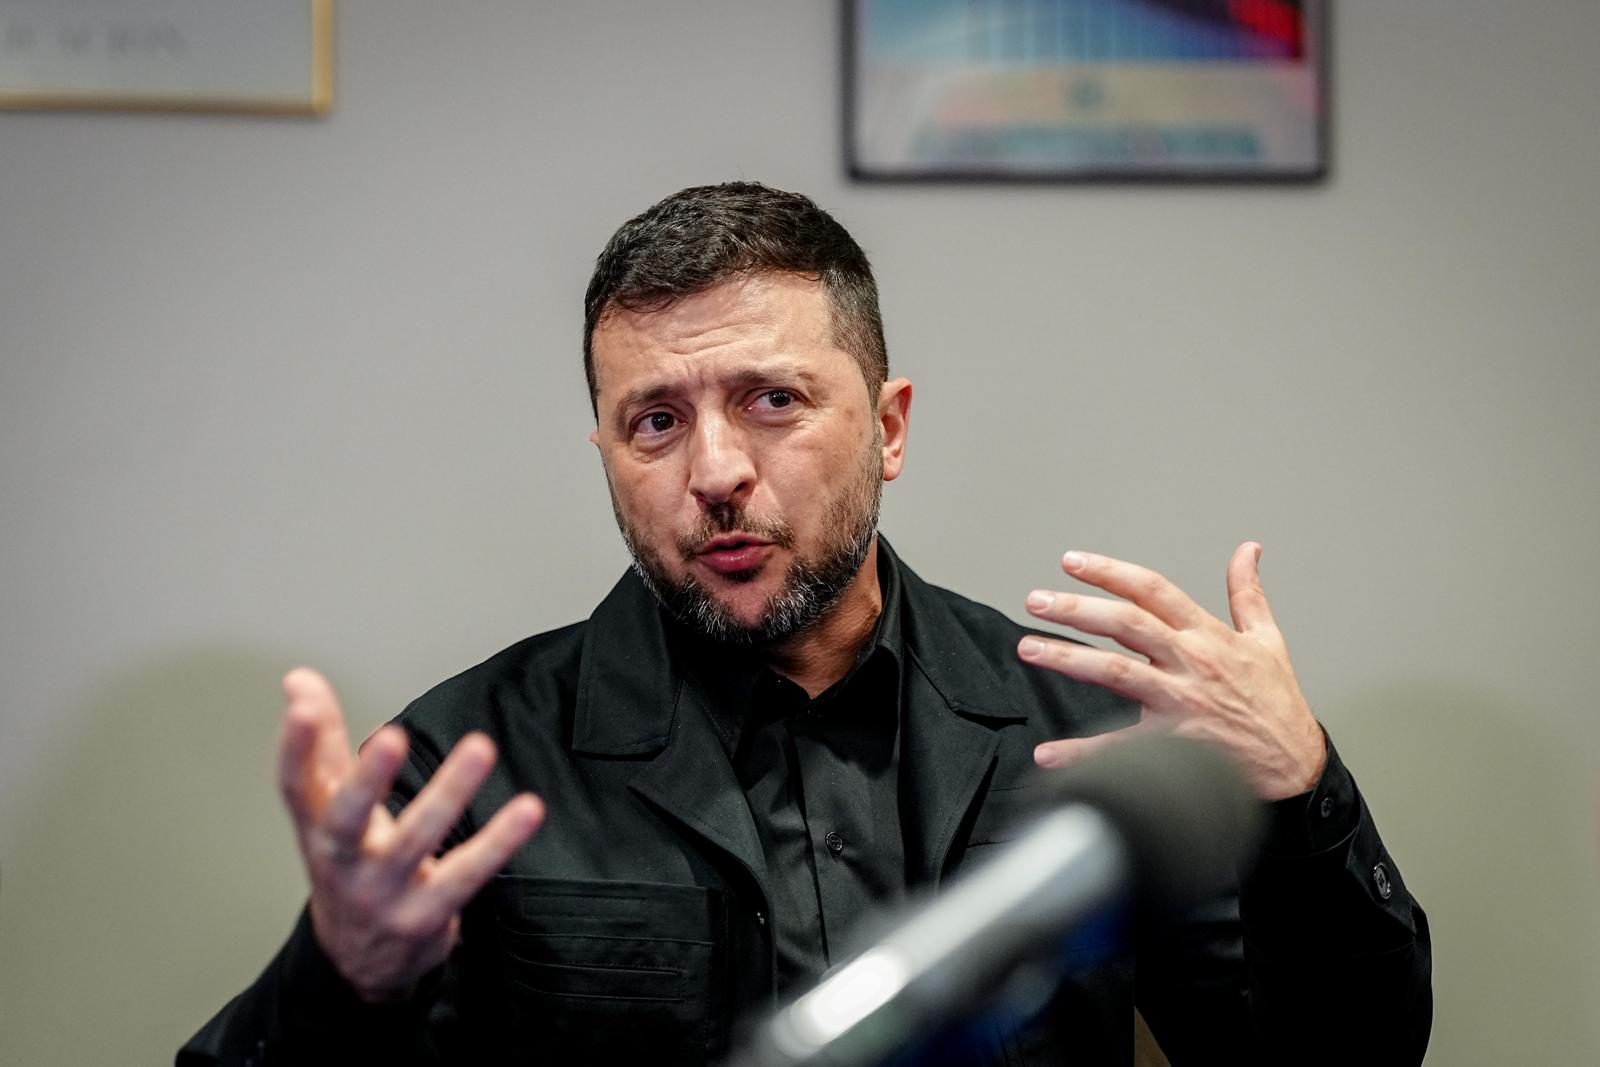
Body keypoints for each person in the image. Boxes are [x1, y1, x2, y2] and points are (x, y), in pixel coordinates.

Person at [179, 183, 1431, 1066]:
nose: (715, 467)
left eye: (772, 399)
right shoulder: (475, 759)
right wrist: (341, 980)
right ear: (607, 452)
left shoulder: (1076, 726)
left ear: (888, 426)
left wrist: (1301, 795)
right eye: (654, 420)